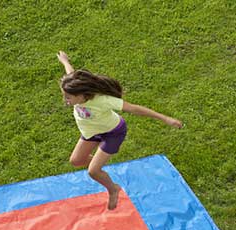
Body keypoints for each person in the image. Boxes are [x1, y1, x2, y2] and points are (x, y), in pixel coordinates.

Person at [57, 50, 183, 210]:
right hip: (92, 132)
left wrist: (165, 118)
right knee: (76, 161)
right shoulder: (76, 88)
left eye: (68, 97)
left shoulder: (102, 101)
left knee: (93, 172)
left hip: (112, 133)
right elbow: (71, 73)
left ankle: (113, 188)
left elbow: (135, 109)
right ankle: (98, 165)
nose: (65, 100)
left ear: (82, 96)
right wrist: (65, 61)